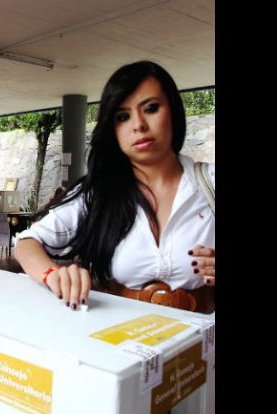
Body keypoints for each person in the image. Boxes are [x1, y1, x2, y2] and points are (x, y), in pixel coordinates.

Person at [14, 60, 214, 313]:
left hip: (204, 334)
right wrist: (53, 274)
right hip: (123, 332)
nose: (138, 125)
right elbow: (26, 241)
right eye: (123, 117)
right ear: (113, 129)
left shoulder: (209, 183)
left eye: (151, 108)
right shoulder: (98, 193)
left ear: (174, 111)